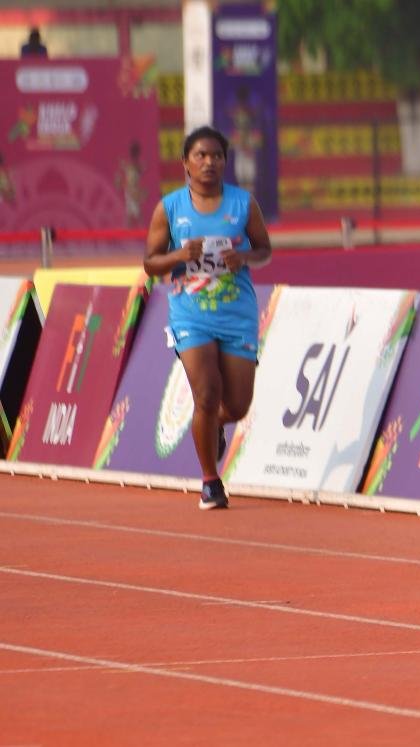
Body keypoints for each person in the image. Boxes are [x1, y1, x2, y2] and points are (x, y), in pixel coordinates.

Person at [143, 126, 272, 510]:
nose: (209, 162)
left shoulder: (243, 204)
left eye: (216, 155)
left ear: (225, 162)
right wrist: (178, 256)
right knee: (206, 392)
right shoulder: (169, 208)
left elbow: (264, 249)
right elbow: (150, 263)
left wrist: (243, 257)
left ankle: (213, 424)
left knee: (237, 406)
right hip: (190, 315)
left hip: (237, 314)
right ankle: (210, 482)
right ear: (185, 163)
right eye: (200, 155)